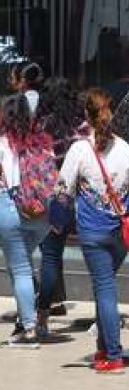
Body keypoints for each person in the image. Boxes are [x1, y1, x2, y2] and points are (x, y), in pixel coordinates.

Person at [57, 88, 129, 373]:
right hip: (121, 233)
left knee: (105, 288)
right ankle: (103, 349)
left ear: (87, 114)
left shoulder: (79, 149)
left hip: (93, 232)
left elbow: (62, 190)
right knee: (104, 285)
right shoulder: (126, 148)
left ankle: (114, 355)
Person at [34, 78, 90, 335]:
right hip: (86, 202)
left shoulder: (41, 129)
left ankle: (43, 315)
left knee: (50, 257)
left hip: (55, 201)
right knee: (98, 263)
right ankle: (103, 316)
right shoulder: (84, 128)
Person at [0, 95, 53, 348]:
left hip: (11, 209)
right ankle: (32, 319)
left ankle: (29, 329)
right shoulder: (42, 141)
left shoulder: (3, 142)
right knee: (21, 264)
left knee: (20, 269)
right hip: (42, 214)